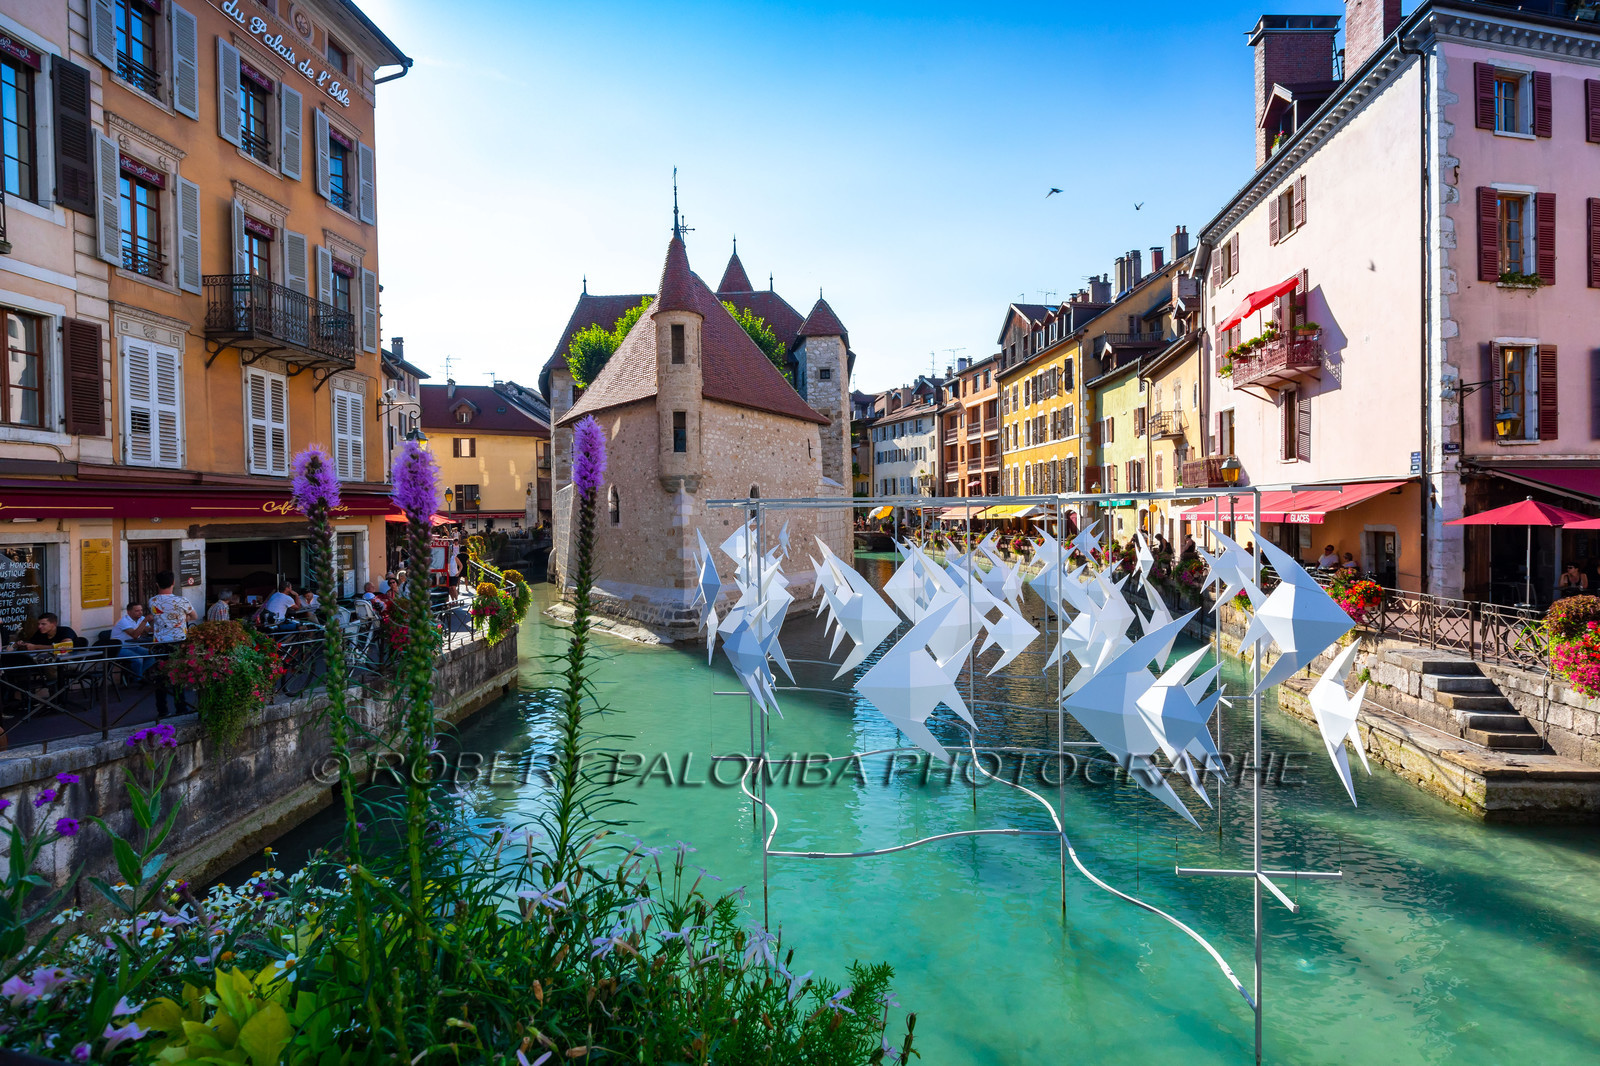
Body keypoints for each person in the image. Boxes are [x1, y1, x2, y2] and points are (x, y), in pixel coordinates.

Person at [148, 572, 197, 643]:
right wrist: (182, 619)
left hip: (160, 640)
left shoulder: (152, 601)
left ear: (157, 584)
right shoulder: (182, 600)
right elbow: (194, 616)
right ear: (173, 583)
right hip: (179, 638)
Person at [16, 613, 80, 651]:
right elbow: (32, 643)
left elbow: (65, 646)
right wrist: (22, 644)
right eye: (38, 624)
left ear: (54, 624)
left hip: (67, 660)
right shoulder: (40, 632)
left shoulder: (65, 631)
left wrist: (36, 647)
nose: (39, 626)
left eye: (43, 624)